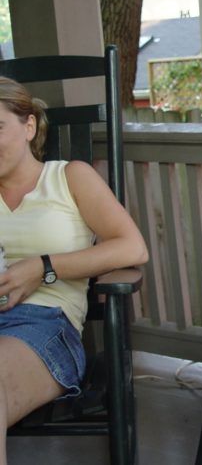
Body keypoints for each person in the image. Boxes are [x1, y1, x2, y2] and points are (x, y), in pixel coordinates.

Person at [0, 78, 148, 465]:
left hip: (43, 325)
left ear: (29, 126)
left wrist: (44, 268)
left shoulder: (68, 177)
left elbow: (132, 247)